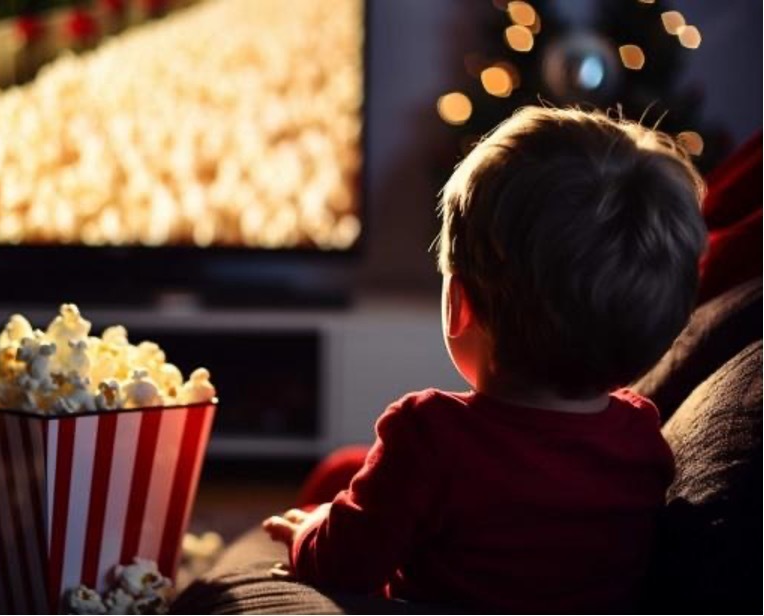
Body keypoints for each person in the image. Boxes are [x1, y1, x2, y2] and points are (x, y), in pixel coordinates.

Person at [263, 107, 707, 612]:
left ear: (460, 305)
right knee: (345, 468)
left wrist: (309, 530)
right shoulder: (639, 440)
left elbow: (343, 564)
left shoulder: (428, 434)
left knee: (335, 485)